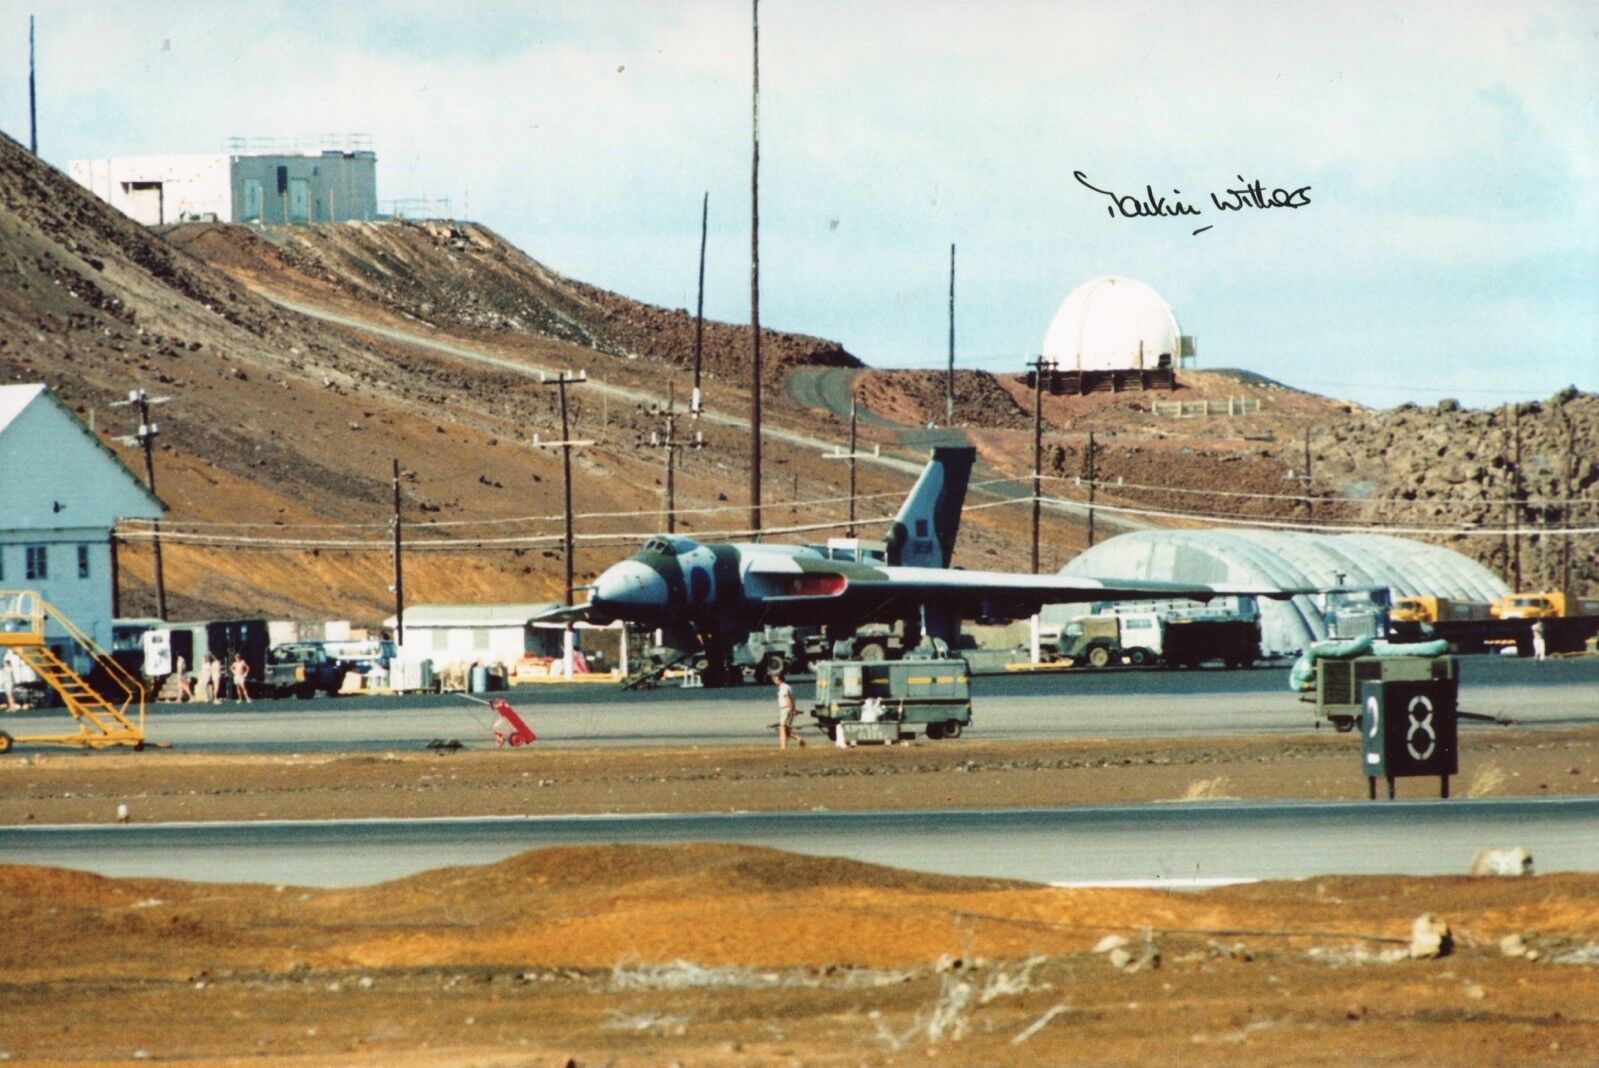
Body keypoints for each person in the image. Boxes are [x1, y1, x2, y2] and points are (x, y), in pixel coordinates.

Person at [774, 670, 804, 749]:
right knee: (785, 728)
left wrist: (791, 709)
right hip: (788, 708)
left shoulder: (783, 687)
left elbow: (787, 698)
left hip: (785, 708)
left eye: (775, 680)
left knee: (782, 728)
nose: (774, 681)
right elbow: (792, 699)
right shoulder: (787, 687)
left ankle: (783, 747)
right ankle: (797, 738)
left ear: (780, 680)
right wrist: (793, 708)